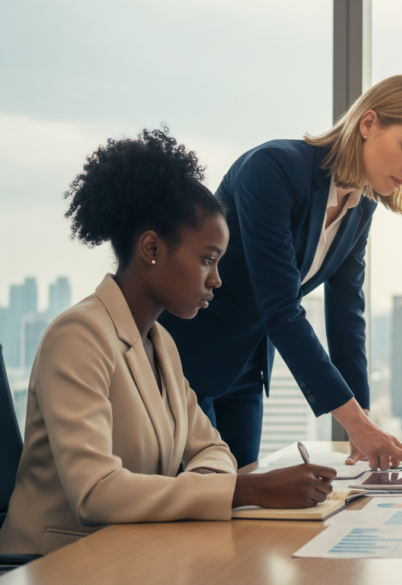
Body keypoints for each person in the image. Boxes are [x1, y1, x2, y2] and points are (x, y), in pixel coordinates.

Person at [0, 129, 337, 556]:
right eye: (207, 259)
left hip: (131, 552)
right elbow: (96, 492)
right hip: (57, 561)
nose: (217, 279)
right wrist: (243, 490)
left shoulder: (160, 343)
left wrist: (212, 486)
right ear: (152, 247)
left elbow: (213, 448)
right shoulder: (79, 337)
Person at [159, 75, 402, 468]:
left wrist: (360, 422)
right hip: (188, 358)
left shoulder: (360, 208)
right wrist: (355, 423)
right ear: (368, 124)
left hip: (247, 368)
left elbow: (347, 316)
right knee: (206, 498)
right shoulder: (274, 169)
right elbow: (281, 306)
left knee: (240, 502)